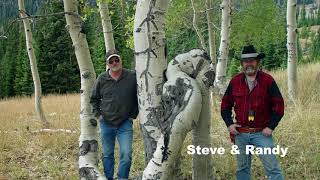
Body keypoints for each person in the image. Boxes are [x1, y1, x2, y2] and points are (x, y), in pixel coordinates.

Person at [220, 45, 285, 180]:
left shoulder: (268, 81)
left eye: (252, 60)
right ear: (242, 64)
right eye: (245, 61)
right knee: (242, 169)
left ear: (257, 62)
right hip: (241, 133)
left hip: (262, 133)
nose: (249, 64)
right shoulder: (235, 81)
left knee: (272, 169)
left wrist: (271, 126)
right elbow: (225, 105)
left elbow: (279, 105)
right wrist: (229, 124)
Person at [90, 49, 138, 180]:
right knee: (107, 154)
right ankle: (109, 178)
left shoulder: (132, 76)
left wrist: (132, 115)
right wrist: (98, 116)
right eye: (111, 61)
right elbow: (94, 99)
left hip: (125, 123)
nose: (114, 63)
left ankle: (122, 178)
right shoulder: (102, 78)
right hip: (106, 123)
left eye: (116, 59)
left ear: (121, 60)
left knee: (126, 154)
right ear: (108, 64)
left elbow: (139, 97)